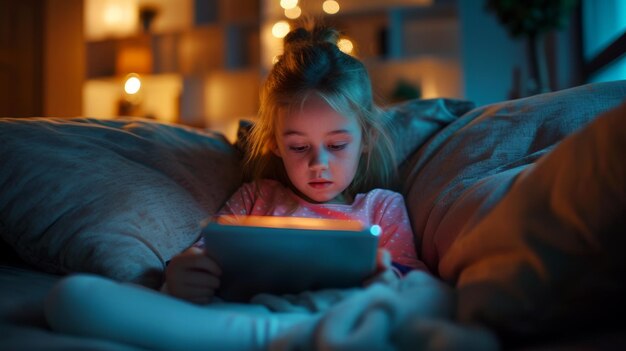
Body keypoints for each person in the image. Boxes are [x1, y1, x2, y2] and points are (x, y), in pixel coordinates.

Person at [163, 24, 429, 304]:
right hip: (252, 320)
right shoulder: (256, 198)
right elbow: (206, 253)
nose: (318, 164)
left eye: (337, 145)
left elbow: (414, 279)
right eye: (299, 147)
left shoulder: (382, 207)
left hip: (340, 318)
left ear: (367, 138)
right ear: (274, 143)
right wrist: (183, 273)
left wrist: (390, 280)